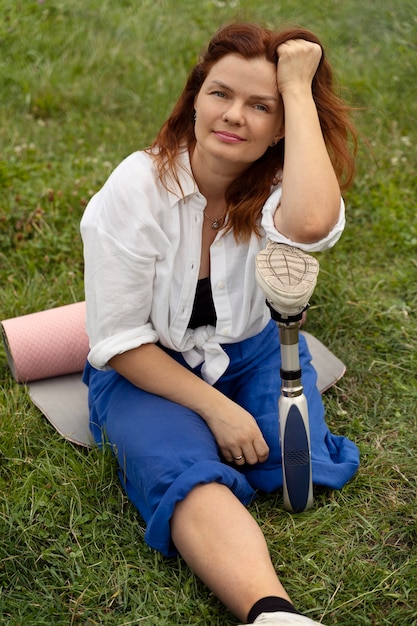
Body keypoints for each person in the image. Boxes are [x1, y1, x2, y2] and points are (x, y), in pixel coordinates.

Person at [81, 22, 360, 625]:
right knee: (187, 473)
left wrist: (297, 85)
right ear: (195, 97)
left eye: (261, 106)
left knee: (294, 472)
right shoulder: (136, 189)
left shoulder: (278, 188)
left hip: (253, 351)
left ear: (284, 124)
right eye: (220, 93)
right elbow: (121, 341)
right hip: (148, 369)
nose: (234, 116)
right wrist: (216, 410)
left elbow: (312, 223)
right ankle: (271, 612)